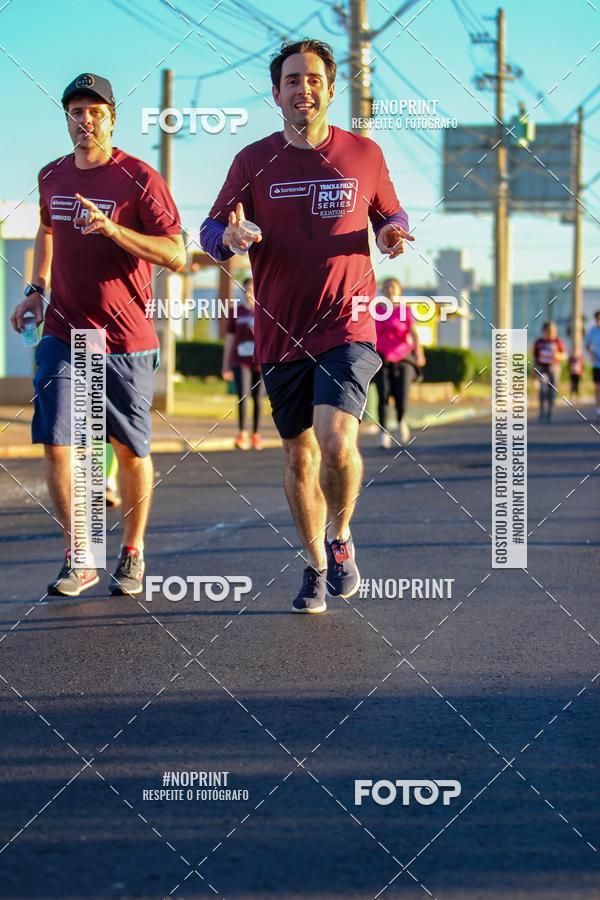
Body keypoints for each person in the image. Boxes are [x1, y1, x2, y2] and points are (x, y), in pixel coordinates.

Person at [201, 40, 411, 613]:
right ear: (276, 94)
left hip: (347, 323)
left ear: (330, 88)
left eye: (313, 78)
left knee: (336, 438)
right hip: (278, 331)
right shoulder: (252, 160)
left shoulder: (363, 154)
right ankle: (315, 562)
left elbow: (391, 211)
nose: (303, 88)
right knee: (298, 455)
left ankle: (341, 538)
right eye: (291, 80)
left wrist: (391, 232)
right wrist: (230, 239)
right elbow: (209, 230)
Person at [10, 73, 185, 597]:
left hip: (125, 338)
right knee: (58, 445)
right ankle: (80, 554)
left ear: (112, 118)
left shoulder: (138, 178)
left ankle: (132, 551)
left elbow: (175, 253)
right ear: (66, 118)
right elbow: (47, 231)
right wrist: (37, 289)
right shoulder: (53, 176)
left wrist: (114, 231)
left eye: (95, 112)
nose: (85, 121)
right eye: (75, 112)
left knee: (128, 450)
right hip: (64, 331)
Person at [373, 278, 426, 448]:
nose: (389, 290)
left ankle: (401, 421)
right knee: (383, 394)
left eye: (393, 287)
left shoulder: (405, 311)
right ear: (382, 291)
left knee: (401, 396)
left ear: (399, 291)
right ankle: (383, 433)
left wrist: (419, 354)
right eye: (386, 287)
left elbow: (415, 334)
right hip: (381, 357)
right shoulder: (375, 310)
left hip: (403, 357)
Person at [221, 277, 265, 450]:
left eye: (252, 290)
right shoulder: (236, 312)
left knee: (258, 398)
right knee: (242, 396)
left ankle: (256, 434)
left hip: (260, 361)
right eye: (246, 290)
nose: (249, 293)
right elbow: (230, 339)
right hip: (240, 360)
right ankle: (242, 433)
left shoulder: (264, 311)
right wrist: (225, 365)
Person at [533, 322, 567, 423]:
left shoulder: (558, 341)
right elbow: (535, 357)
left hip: (554, 368)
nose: (552, 333)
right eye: (550, 331)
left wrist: (557, 355)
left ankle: (550, 413)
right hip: (542, 369)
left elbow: (565, 355)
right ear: (544, 331)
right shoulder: (539, 342)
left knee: (552, 391)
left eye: (554, 331)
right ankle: (542, 412)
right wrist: (534, 371)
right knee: (542, 390)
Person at [585, 309, 600, 422]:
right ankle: (598, 411)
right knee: (597, 388)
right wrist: (591, 355)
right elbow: (587, 345)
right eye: (597, 319)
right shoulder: (592, 332)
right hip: (597, 364)